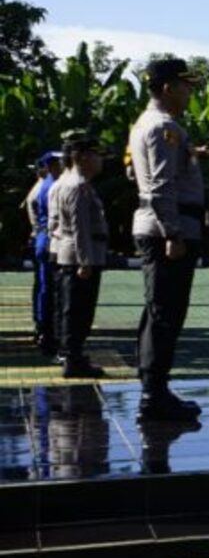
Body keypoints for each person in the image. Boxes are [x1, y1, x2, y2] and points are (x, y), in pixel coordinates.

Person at [129, 57, 206, 421]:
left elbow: (136, 170)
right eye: (185, 85)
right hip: (167, 231)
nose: (190, 91)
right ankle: (154, 395)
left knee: (158, 309)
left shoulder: (147, 123)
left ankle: (153, 387)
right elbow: (159, 185)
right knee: (165, 313)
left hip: (157, 226)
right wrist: (173, 233)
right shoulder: (163, 127)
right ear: (166, 88)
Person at [51, 133, 110, 378]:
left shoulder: (69, 183)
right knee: (78, 311)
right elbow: (79, 227)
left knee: (74, 310)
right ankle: (73, 359)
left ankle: (73, 355)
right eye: (97, 156)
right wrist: (85, 262)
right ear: (83, 157)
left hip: (73, 254)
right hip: (80, 257)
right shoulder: (77, 186)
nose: (100, 161)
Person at [29, 150, 63, 356]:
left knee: (45, 287)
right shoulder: (51, 186)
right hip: (48, 239)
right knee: (49, 289)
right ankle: (47, 332)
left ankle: (44, 329)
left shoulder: (47, 185)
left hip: (43, 239)